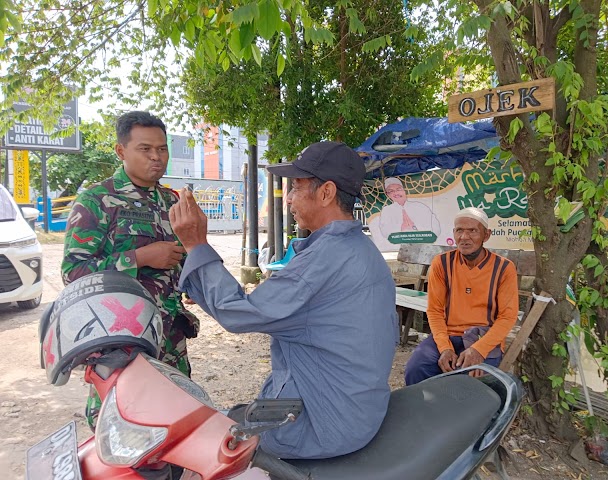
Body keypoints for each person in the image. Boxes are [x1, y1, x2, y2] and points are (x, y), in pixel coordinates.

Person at [169, 141, 398, 460]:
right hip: (356, 410)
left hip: (322, 424)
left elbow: (239, 313)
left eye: (296, 187)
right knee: (231, 415)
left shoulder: (324, 259)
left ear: (326, 193)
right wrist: (204, 286)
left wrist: (195, 244)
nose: (288, 198)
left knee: (202, 445)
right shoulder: (359, 248)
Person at [61, 111, 200, 428]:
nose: (156, 157)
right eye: (145, 149)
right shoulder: (96, 201)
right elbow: (74, 273)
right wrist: (139, 257)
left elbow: (184, 255)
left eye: (162, 149)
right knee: (122, 426)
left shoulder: (172, 201)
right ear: (121, 151)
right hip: (120, 339)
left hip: (170, 337)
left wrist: (191, 280)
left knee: (176, 422)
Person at [404, 207, 518, 385]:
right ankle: (422, 412)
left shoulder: (503, 268)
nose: (464, 237)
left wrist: (479, 350)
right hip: (447, 336)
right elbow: (434, 310)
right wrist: (444, 348)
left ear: (486, 235)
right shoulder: (442, 263)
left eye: (472, 231)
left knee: (472, 384)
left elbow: (507, 317)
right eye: (459, 230)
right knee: (416, 368)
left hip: (483, 338)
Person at [378, 176, 441, 241]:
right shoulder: (387, 211)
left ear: (404, 190)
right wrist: (401, 229)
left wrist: (416, 229)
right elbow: (384, 231)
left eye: (398, 189)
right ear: (388, 194)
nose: (395, 193)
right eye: (391, 191)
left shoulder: (419, 206)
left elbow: (435, 228)